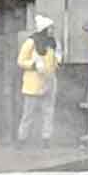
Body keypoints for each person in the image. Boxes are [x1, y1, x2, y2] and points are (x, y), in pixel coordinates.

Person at [16, 16, 56, 145]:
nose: (52, 30)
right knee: (28, 113)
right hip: (32, 83)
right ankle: (22, 139)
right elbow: (20, 61)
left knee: (48, 112)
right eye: (50, 28)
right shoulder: (30, 42)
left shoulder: (52, 42)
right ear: (44, 29)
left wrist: (55, 64)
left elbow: (54, 59)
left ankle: (46, 138)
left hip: (49, 82)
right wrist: (33, 65)